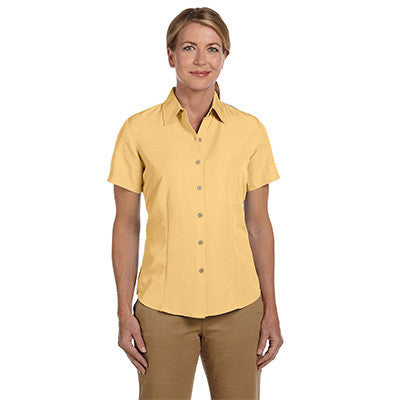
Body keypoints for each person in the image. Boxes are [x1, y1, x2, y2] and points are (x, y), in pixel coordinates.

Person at [107, 7, 284, 399]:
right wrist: (123, 313)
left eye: (213, 49)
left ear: (225, 57)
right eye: (189, 48)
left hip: (239, 307)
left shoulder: (250, 131)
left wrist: (271, 309)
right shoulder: (137, 130)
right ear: (171, 56)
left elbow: (258, 225)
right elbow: (127, 225)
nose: (201, 60)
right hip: (161, 309)